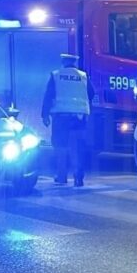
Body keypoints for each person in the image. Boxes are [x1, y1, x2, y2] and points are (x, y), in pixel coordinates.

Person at [41, 53, 95, 187]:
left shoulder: (56, 75)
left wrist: (45, 115)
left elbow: (48, 95)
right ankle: (78, 177)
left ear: (63, 62)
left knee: (61, 147)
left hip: (61, 117)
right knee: (77, 147)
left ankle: (61, 176)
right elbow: (91, 93)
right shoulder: (83, 76)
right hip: (79, 117)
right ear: (74, 63)